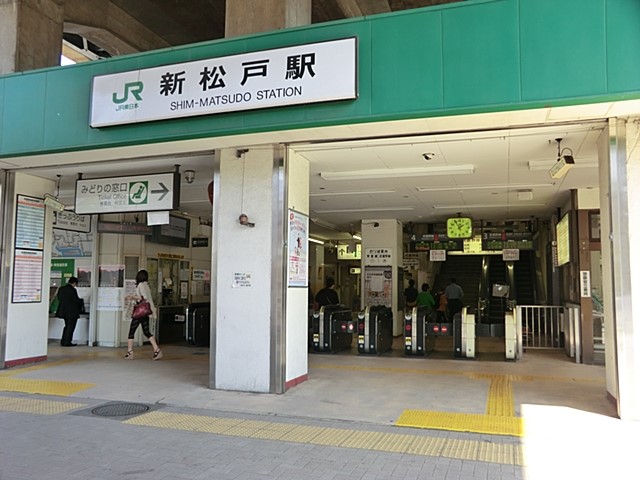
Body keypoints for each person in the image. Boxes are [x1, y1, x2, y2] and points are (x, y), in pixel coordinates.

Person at [125, 269, 162, 360]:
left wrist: (133, 297)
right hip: (145, 312)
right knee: (146, 331)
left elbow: (143, 297)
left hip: (139, 312)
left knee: (131, 331)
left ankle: (130, 352)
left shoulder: (141, 285)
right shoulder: (146, 285)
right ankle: (157, 350)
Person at [56, 276, 84, 347]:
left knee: (66, 326)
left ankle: (63, 341)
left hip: (63, 311)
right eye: (75, 284)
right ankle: (67, 342)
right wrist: (81, 301)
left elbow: (59, 298)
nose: (75, 286)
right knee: (70, 327)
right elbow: (76, 300)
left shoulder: (61, 289)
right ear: (74, 283)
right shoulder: (72, 290)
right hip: (72, 312)